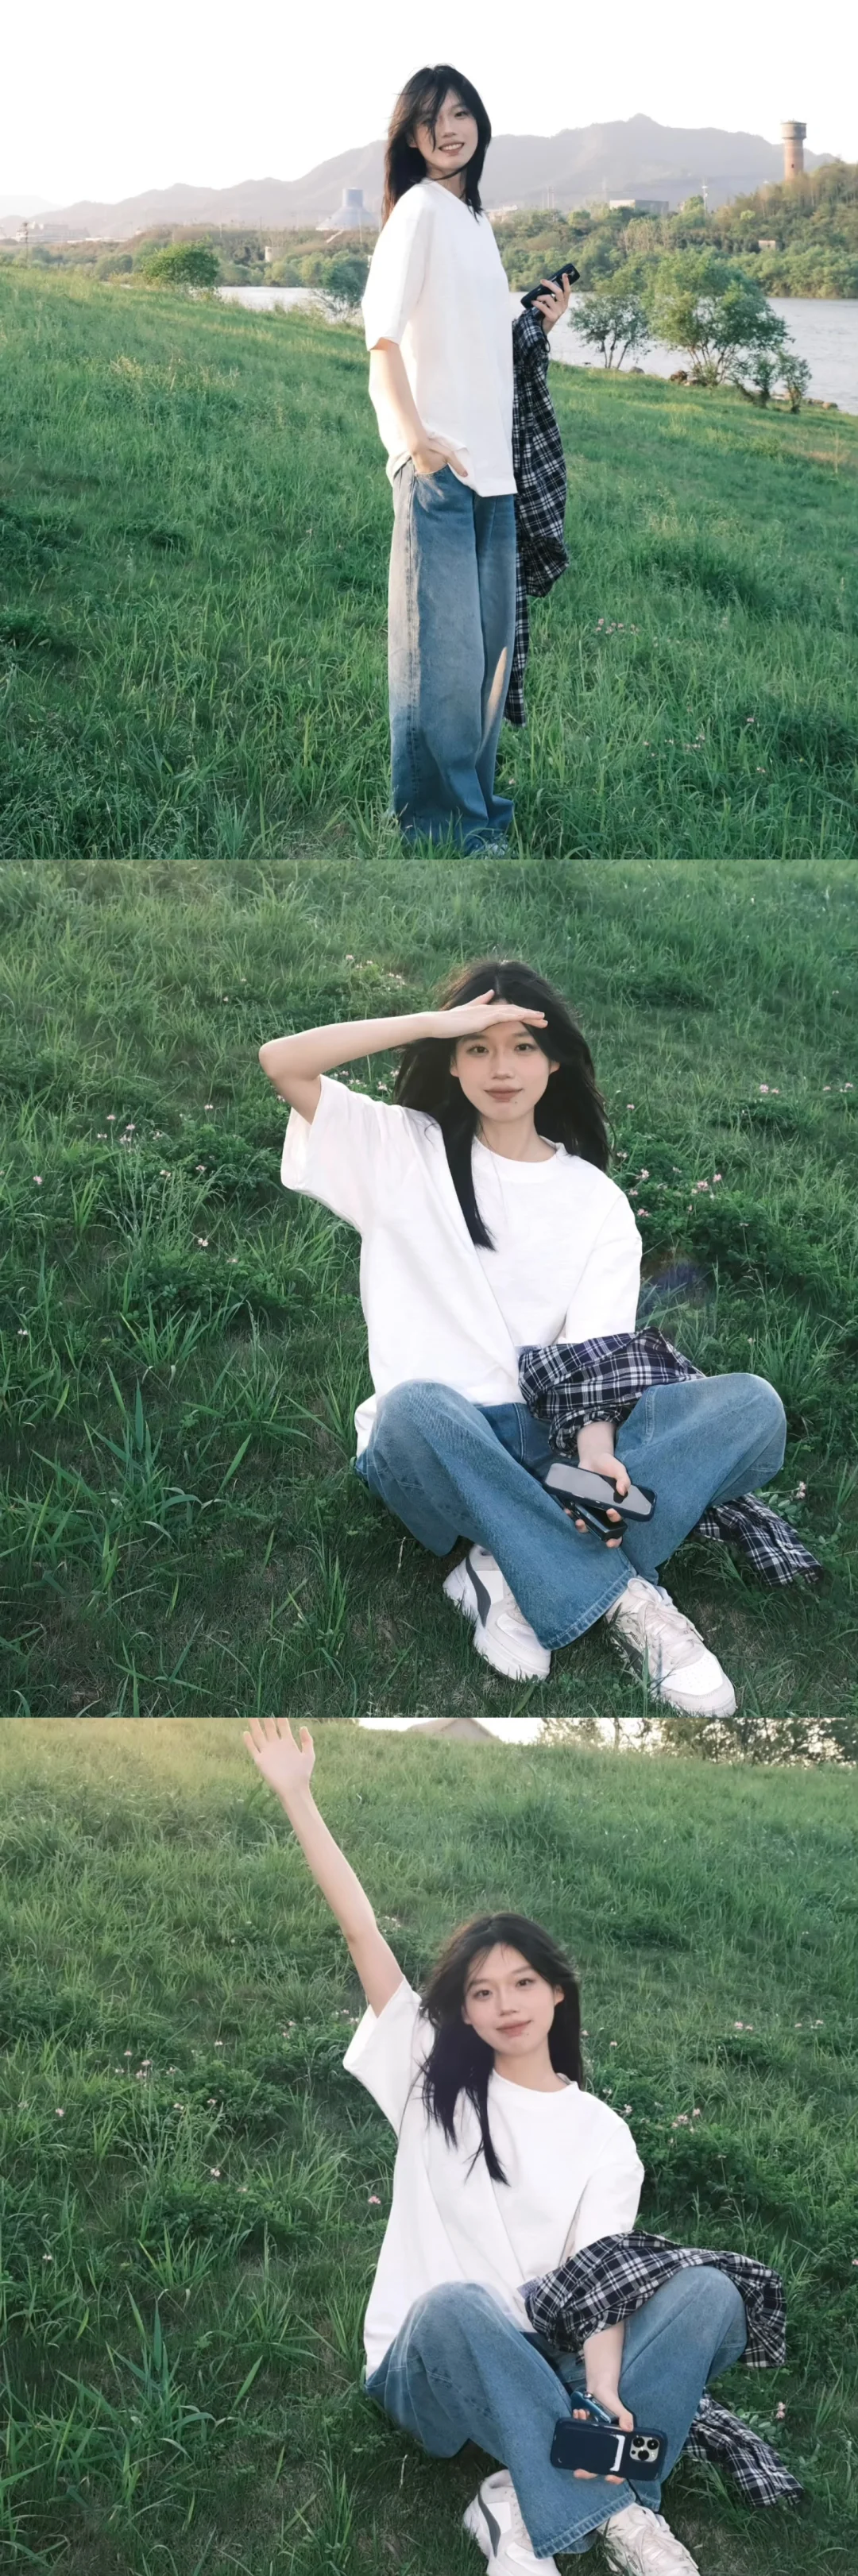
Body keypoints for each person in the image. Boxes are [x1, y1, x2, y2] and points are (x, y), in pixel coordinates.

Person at [242, 1716, 750, 2576]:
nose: (505, 2003)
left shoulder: (603, 2133)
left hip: (550, 2365)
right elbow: (363, 1934)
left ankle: (516, 2498)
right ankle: (621, 2507)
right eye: (482, 1991)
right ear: (465, 2011)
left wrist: (604, 2387)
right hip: (434, 2367)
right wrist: (297, 1794)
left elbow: (601, 2282)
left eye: (522, 1982)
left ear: (557, 1993)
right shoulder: (432, 2076)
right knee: (456, 2304)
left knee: (710, 2293)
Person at [259, 958, 787, 1715]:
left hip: (551, 1448)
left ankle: (502, 1563)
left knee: (751, 1408)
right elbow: (283, 1061)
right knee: (414, 1407)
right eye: (478, 1048)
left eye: (522, 1047)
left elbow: (591, 1360)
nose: (500, 1068)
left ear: (554, 1060)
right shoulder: (400, 1149)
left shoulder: (595, 1201)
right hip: (440, 1446)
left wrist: (596, 1452)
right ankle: (625, 1599)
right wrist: (435, 1023)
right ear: (452, 1060)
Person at [361, 65, 572, 850]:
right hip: (441, 473)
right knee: (440, 661)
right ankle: (438, 825)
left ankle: (474, 813)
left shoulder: (475, 222)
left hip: (494, 474)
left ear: (479, 122)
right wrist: (414, 442)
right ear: (411, 138)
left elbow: (480, 344)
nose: (448, 130)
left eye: (460, 114)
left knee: (485, 660)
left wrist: (537, 322)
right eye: (431, 120)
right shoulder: (417, 211)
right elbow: (381, 340)